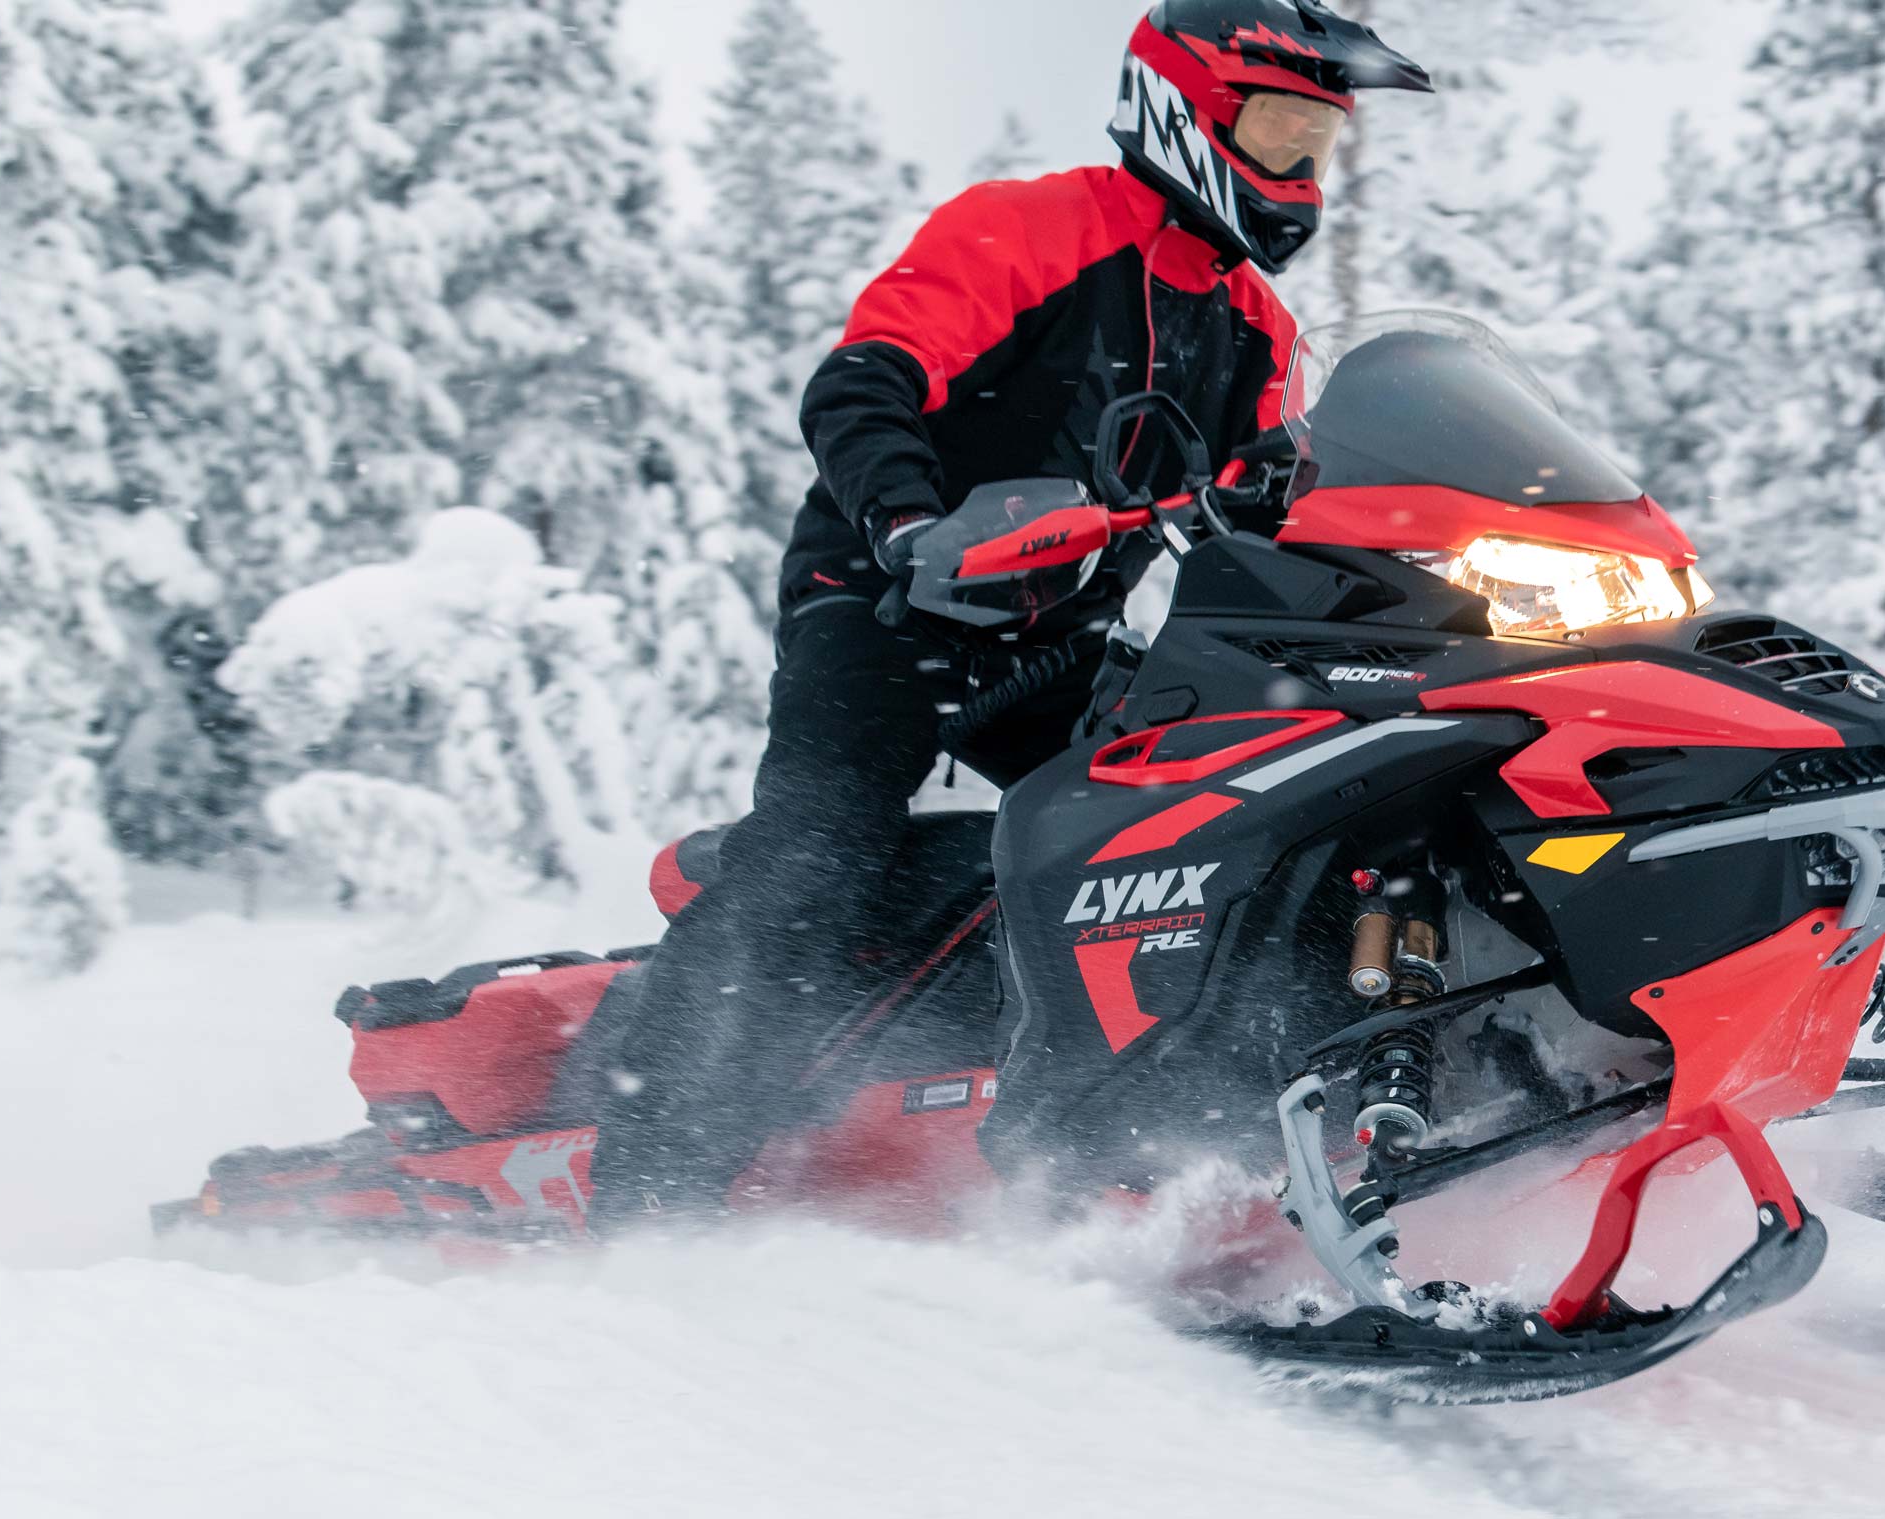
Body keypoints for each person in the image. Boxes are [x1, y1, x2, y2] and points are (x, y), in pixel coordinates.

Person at [579, 0, 1433, 1221]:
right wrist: (910, 527)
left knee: (1226, 823)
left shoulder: (1256, 325)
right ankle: (650, 1179)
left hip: (1053, 635)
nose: (1300, 171)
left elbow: (1281, 510)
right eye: (1280, 130)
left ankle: (1182, 1128)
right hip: (886, 604)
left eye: (1319, 143)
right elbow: (865, 380)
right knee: (817, 853)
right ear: (1185, 110)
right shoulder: (1037, 227)